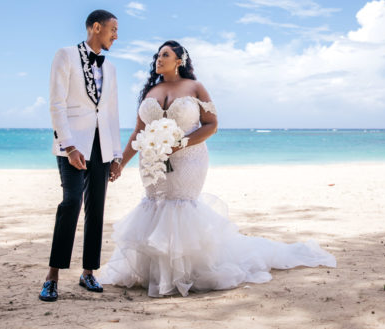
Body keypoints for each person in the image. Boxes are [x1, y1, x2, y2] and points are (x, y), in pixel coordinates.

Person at [99, 40, 336, 297]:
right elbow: (139, 132)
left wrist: (181, 144)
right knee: (155, 205)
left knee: (180, 206)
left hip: (189, 159)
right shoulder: (150, 91)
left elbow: (211, 124)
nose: (159, 58)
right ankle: (156, 273)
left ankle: (186, 272)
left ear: (179, 61)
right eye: (157, 55)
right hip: (152, 162)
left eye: (165, 55)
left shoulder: (195, 87)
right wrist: (120, 163)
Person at [39, 10, 123, 302]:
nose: (116, 36)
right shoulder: (65, 55)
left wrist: (116, 155)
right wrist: (69, 146)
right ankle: (52, 276)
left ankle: (88, 272)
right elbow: (57, 104)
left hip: (102, 145)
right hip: (73, 144)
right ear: (96, 27)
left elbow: (111, 112)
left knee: (96, 208)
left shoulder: (110, 68)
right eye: (113, 29)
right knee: (72, 202)